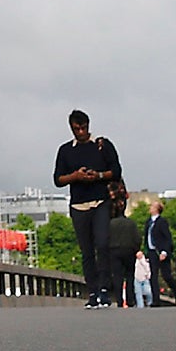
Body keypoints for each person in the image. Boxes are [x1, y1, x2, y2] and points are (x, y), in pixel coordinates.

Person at [53, 110, 122, 307]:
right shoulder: (65, 150)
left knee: (102, 244)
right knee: (87, 251)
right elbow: (58, 179)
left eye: (84, 128)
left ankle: (104, 289)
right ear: (71, 129)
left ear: (89, 126)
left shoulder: (102, 146)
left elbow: (116, 171)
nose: (81, 132)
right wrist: (75, 176)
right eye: (77, 129)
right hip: (78, 205)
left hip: (100, 201)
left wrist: (98, 176)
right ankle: (91, 291)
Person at [105, 186, 140, 306]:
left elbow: (106, 238)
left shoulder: (110, 224)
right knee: (130, 276)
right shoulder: (131, 223)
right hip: (129, 250)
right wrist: (135, 249)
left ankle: (119, 300)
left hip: (114, 250)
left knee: (117, 276)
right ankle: (130, 299)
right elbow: (137, 238)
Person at [144, 198, 176, 306]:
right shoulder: (148, 222)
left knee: (166, 275)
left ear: (157, 209)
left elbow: (167, 238)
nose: (150, 208)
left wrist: (165, 251)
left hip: (161, 251)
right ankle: (156, 300)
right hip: (152, 251)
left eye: (152, 206)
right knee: (153, 276)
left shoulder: (162, 222)